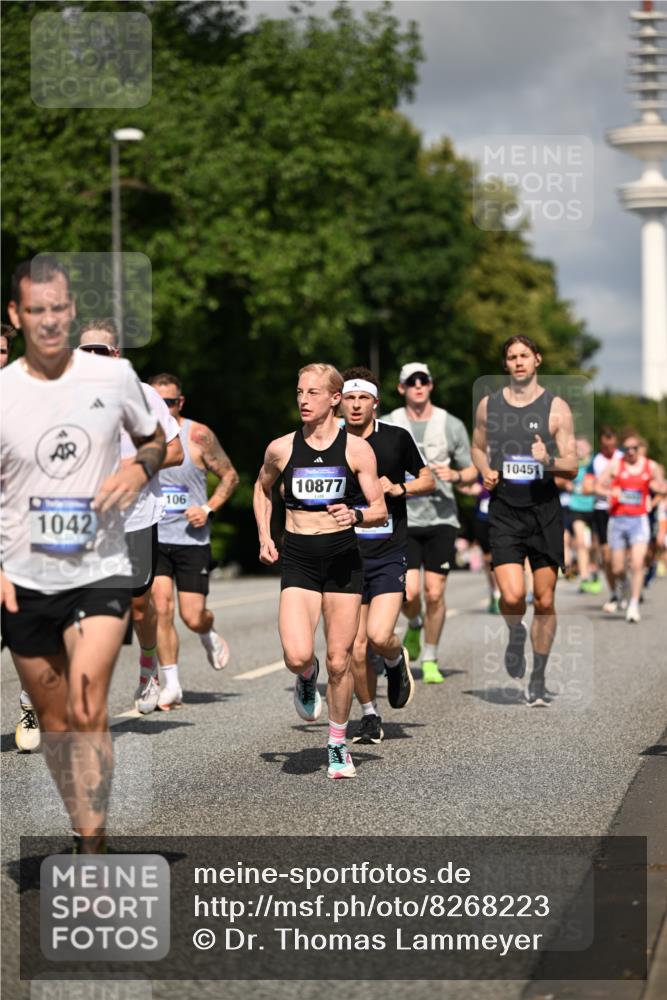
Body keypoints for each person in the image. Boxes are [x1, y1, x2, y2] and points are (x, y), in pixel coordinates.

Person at [1, 257, 165, 852]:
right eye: (36, 310)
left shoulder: (113, 379)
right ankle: (81, 822)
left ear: (71, 313)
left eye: (58, 309)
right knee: (55, 723)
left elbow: (156, 439)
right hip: (25, 573)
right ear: (17, 315)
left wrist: (139, 467)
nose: (49, 320)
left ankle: (92, 845)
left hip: (100, 566)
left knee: (88, 701)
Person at [253, 363, 387, 778]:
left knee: (339, 660)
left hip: (343, 559)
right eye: (299, 392)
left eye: (313, 393)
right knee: (297, 655)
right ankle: (306, 674)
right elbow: (261, 488)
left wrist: (356, 515)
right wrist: (265, 535)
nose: (303, 400)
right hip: (299, 559)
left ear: (335, 399)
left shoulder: (357, 450)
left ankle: (337, 744)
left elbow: (379, 510)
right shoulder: (281, 448)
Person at [77, 321, 184, 714]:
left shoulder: (143, 396)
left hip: (136, 516)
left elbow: (176, 452)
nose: (93, 358)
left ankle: (148, 665)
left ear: (116, 354)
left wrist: (133, 465)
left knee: (139, 607)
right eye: (85, 351)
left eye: (100, 351)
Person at [472, 335, 577, 707]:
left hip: (544, 512)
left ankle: (538, 677)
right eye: (512, 357)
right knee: (513, 596)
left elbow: (572, 467)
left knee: (545, 600)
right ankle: (515, 631)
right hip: (505, 512)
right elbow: (477, 446)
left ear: (537, 360)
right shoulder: (489, 405)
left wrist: (547, 459)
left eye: (524, 356)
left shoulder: (557, 408)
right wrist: (484, 469)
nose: (518, 362)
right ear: (506, 364)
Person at [339, 367, 435, 744]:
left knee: (380, 636)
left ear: (375, 403)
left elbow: (428, 479)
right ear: (339, 402)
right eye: (350, 398)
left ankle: (395, 661)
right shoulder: (329, 443)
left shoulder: (396, 438)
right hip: (346, 553)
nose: (356, 405)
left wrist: (400, 488)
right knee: (355, 646)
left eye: (363, 398)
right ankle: (369, 715)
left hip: (388, 550)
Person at [382, 363, 477, 684]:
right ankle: (414, 624)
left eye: (423, 380)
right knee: (408, 594)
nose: (418, 386)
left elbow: (471, 471)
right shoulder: (389, 422)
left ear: (431, 385)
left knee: (434, 593)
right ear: (401, 388)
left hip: (442, 519)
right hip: (402, 518)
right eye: (412, 382)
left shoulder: (451, 424)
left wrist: (457, 475)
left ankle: (431, 657)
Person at [149, 373, 239, 709]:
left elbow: (230, 476)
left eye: (170, 402)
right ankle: (171, 684)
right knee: (161, 608)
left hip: (191, 540)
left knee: (192, 615)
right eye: (157, 402)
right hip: (154, 535)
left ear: (180, 402)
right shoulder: (137, 435)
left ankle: (207, 631)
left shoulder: (198, 435)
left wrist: (207, 508)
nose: (164, 408)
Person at [595, 430, 667, 623]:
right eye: (627, 448)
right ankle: (625, 586)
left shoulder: (650, 466)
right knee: (617, 567)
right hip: (618, 520)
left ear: (639, 449)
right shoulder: (615, 465)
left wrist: (656, 496)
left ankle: (634, 604)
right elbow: (597, 486)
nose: (631, 452)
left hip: (639, 520)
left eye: (634, 448)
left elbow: (662, 485)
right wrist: (610, 493)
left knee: (637, 563)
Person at [588, 426, 623, 611]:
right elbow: (586, 487)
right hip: (602, 511)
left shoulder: (624, 457)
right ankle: (614, 593)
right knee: (607, 557)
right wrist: (606, 492)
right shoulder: (596, 461)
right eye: (605, 446)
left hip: (623, 512)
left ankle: (625, 585)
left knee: (623, 557)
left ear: (615, 442)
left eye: (611, 445)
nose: (609, 449)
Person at [559, 436, 599, 593]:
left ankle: (594, 568)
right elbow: (560, 478)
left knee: (595, 545)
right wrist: (566, 483)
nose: (580, 449)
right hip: (576, 507)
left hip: (594, 506)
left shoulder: (595, 463)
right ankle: (584, 577)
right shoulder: (572, 463)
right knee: (580, 542)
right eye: (577, 447)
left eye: (583, 446)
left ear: (590, 448)